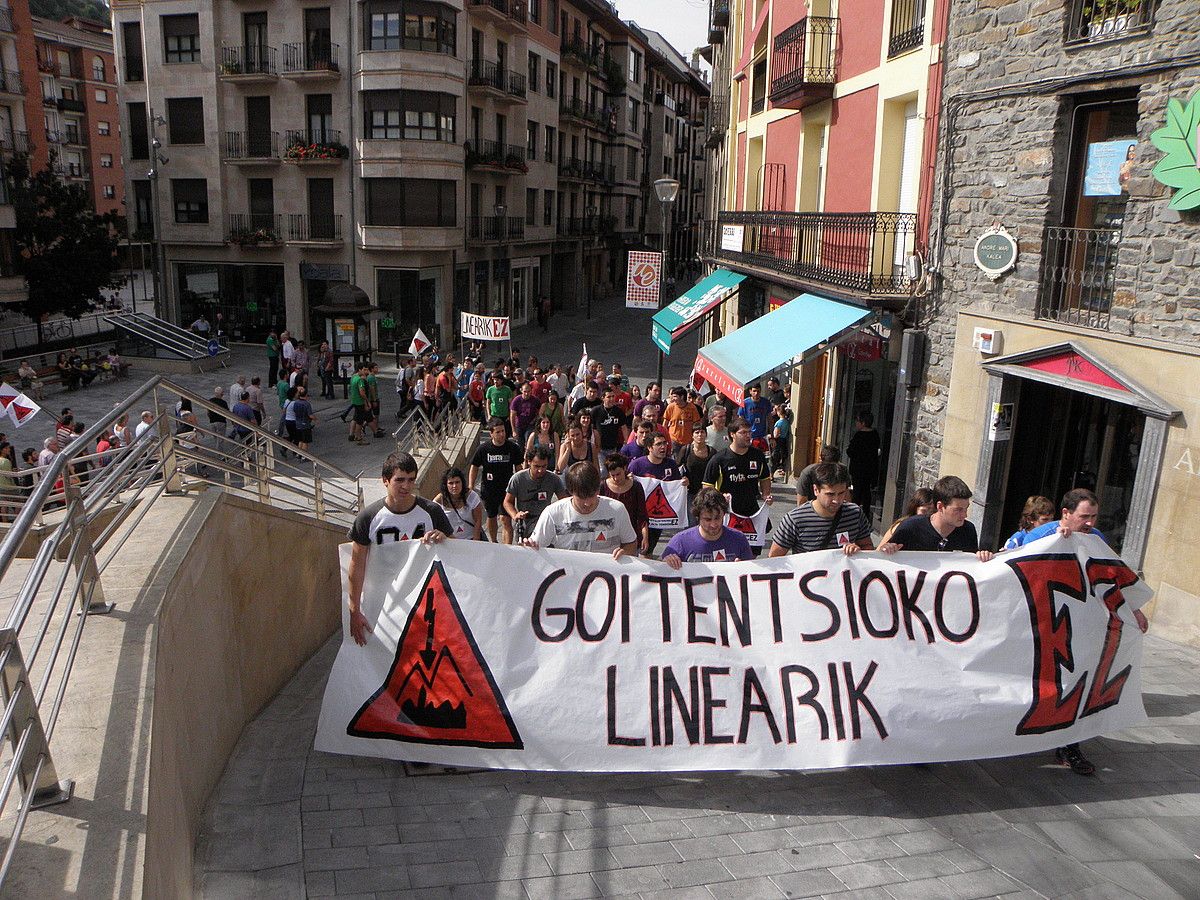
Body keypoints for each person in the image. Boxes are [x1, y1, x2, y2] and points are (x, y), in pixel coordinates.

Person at [1015, 487, 1146, 776]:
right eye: (1084, 516)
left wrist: (1133, 608)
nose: (1090, 523)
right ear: (1066, 514)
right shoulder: (1040, 535)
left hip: (1081, 627)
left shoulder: (1096, 541)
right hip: (1042, 628)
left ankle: (1070, 746)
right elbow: (1011, 569)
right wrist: (1052, 542)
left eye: (1094, 516)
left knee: (1077, 685)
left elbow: (1111, 579)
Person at [345, 452, 451, 646]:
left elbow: (455, 555)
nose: (406, 486)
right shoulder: (368, 517)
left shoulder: (432, 512)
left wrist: (445, 540)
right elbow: (356, 565)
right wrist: (354, 610)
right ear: (385, 481)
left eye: (411, 480)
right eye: (399, 480)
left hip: (424, 599)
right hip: (383, 602)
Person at [527, 461, 638, 559]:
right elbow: (535, 548)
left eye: (592, 495)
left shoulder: (617, 510)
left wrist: (625, 552)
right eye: (581, 497)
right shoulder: (552, 514)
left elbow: (631, 543)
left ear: (598, 490)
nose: (587, 503)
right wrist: (529, 548)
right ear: (571, 491)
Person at [768, 463, 874, 557]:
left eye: (842, 493)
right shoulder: (794, 519)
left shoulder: (855, 514)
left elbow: (868, 547)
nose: (836, 500)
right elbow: (775, 559)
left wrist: (858, 551)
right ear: (816, 490)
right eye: (830, 494)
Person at [881, 475, 993, 562]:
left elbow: (972, 566)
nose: (965, 515)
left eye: (966, 509)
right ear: (940, 506)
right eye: (958, 510)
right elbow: (882, 560)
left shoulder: (968, 530)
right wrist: (888, 549)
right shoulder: (910, 527)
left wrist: (982, 556)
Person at [703, 418, 774, 554]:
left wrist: (766, 494)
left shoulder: (757, 456)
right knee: (727, 551)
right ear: (732, 434)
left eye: (749, 432)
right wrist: (718, 497)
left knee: (752, 553)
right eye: (743, 433)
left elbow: (765, 478)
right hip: (727, 513)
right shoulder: (719, 459)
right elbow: (707, 487)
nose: (748, 436)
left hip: (752, 511)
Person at [662, 488, 753, 567]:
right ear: (698, 517)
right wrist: (667, 563)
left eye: (717, 518)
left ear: (724, 514)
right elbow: (661, 576)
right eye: (707, 519)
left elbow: (751, 574)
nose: (713, 524)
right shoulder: (680, 542)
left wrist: (743, 568)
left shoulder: (739, 539)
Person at [469, 418, 524, 544]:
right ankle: (494, 542)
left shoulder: (512, 447)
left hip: (507, 490)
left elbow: (519, 468)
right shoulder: (483, 449)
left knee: (506, 519)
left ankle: (507, 548)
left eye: (503, 431)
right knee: (491, 517)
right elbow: (474, 466)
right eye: (498, 432)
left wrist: (521, 484)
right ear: (491, 434)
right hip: (489, 490)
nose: (501, 434)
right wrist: (471, 485)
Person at [629, 433, 685, 555]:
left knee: (649, 550)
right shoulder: (637, 465)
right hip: (639, 516)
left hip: (658, 518)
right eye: (658, 444)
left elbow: (676, 486)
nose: (663, 447)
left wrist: (684, 483)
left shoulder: (670, 464)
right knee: (637, 549)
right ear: (649, 447)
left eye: (664, 443)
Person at [504, 447, 567, 542]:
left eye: (544, 466)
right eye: (536, 466)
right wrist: (515, 515)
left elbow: (564, 502)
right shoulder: (518, 479)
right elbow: (507, 502)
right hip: (525, 521)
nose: (540, 470)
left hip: (544, 521)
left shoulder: (553, 479)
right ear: (529, 462)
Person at [600, 452, 649, 556]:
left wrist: (645, 536)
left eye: (618, 474)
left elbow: (642, 515)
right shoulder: (603, 487)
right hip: (608, 536)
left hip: (631, 535)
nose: (616, 478)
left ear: (625, 469)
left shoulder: (636, 487)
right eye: (612, 475)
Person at [846, 411, 881, 520]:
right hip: (870, 469)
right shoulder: (875, 435)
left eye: (857, 420)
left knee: (856, 493)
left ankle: (854, 516)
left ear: (863, 423)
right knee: (866, 493)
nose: (856, 423)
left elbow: (850, 452)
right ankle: (866, 516)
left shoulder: (858, 436)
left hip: (858, 470)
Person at [434, 466, 483, 540]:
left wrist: (476, 542)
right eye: (451, 483)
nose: (454, 486)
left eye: (457, 482)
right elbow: (435, 523)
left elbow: (478, 520)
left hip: (471, 539)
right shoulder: (439, 501)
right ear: (446, 485)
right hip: (450, 542)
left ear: (462, 482)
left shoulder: (472, 496)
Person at [676, 422, 712, 507]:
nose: (700, 435)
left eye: (702, 432)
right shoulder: (686, 450)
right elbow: (677, 469)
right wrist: (682, 479)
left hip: (707, 494)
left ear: (706, 434)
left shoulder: (712, 452)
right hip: (689, 493)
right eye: (697, 432)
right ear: (692, 435)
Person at [592, 386, 631, 454]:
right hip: (599, 447)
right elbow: (591, 427)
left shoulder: (618, 411)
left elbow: (624, 427)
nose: (612, 399)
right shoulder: (595, 411)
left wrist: (626, 443)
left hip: (613, 447)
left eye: (613, 396)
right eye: (609, 397)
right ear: (603, 398)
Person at [509, 382, 541, 446]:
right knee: (520, 444)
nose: (526, 393)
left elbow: (540, 412)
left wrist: (536, 420)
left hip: (530, 425)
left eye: (529, 391)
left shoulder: (535, 400)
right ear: (521, 390)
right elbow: (512, 415)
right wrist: (513, 430)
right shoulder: (516, 400)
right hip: (519, 425)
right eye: (525, 391)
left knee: (529, 442)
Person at [347, 362, 371, 445]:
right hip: (359, 402)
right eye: (363, 369)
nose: (364, 372)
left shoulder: (353, 377)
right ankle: (359, 437)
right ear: (360, 369)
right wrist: (367, 401)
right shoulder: (360, 380)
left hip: (354, 401)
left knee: (355, 418)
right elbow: (362, 392)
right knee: (360, 421)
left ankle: (352, 434)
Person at [485, 372, 515, 437]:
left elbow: (510, 403)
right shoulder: (490, 389)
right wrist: (489, 414)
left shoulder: (507, 389)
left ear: (501, 380)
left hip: (504, 416)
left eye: (497, 380)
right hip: (494, 415)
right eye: (494, 380)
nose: (495, 381)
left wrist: (509, 415)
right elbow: (488, 403)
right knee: (494, 434)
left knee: (505, 434)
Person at [770, 404, 792, 479]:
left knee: (774, 458)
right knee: (781, 456)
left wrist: (770, 436)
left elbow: (775, 434)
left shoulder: (779, 423)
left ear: (779, 412)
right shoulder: (787, 422)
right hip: (784, 440)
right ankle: (781, 469)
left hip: (778, 441)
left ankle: (771, 475)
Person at [292, 386, 315, 453]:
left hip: (298, 424)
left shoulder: (296, 402)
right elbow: (310, 415)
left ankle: (299, 453)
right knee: (305, 441)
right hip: (305, 424)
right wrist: (315, 419)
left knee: (300, 440)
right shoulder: (307, 404)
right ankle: (304, 456)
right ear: (306, 395)